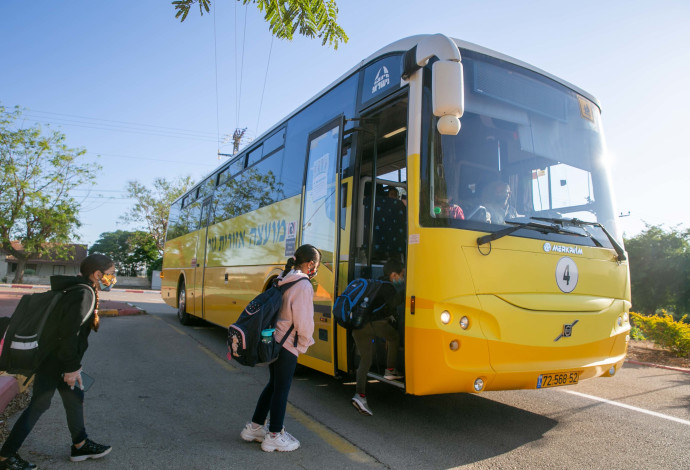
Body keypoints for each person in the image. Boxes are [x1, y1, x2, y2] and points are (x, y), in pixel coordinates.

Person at [0, 254, 116, 470]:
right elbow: (68, 334)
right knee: (39, 403)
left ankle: (80, 444)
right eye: (110, 274)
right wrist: (71, 367)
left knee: (74, 395)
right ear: (97, 274)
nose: (112, 278)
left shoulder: (78, 288)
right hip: (55, 360)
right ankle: (6, 456)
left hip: (56, 357)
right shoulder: (83, 293)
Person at [240, 244, 321, 452]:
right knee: (281, 389)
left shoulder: (283, 279)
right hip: (288, 343)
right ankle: (274, 435)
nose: (316, 269)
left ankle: (255, 427)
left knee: (274, 385)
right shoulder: (303, 285)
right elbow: (303, 322)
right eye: (317, 265)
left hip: (275, 339)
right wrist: (304, 342)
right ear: (310, 264)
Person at [351, 259, 405, 416]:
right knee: (394, 337)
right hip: (372, 325)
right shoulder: (388, 288)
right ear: (394, 275)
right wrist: (408, 290)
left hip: (358, 325)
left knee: (366, 360)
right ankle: (390, 369)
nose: (403, 278)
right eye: (402, 275)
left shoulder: (376, 283)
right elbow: (392, 305)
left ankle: (360, 395)